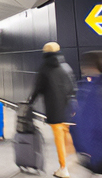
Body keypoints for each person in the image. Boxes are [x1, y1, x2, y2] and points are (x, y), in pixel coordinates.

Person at [28, 42, 77, 178]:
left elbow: (38, 88)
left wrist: (30, 102)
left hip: (54, 108)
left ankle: (63, 168)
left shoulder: (44, 69)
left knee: (59, 138)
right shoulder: (66, 67)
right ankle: (72, 155)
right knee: (66, 131)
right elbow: (73, 88)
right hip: (67, 108)